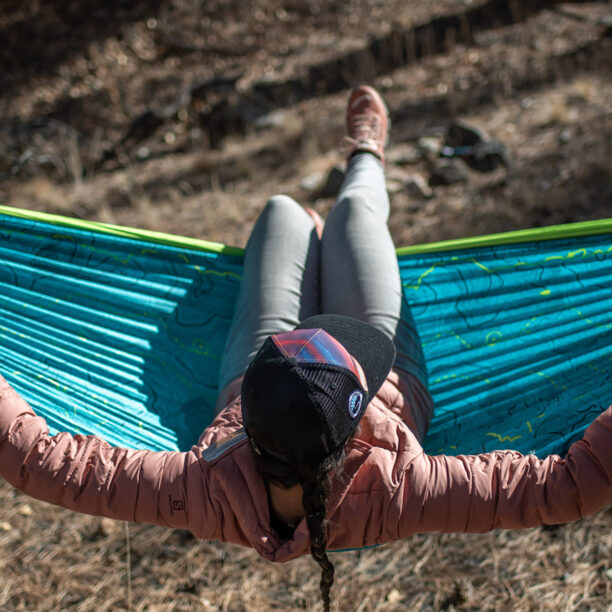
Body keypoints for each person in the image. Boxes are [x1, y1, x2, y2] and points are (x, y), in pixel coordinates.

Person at [0, 87, 610, 612]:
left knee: (283, 213)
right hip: (388, 380)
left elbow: (47, 463)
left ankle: (322, 215)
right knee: (353, 212)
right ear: (352, 434)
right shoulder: (400, 486)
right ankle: (366, 152)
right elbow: (564, 487)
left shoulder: (205, 483)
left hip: (267, 381)